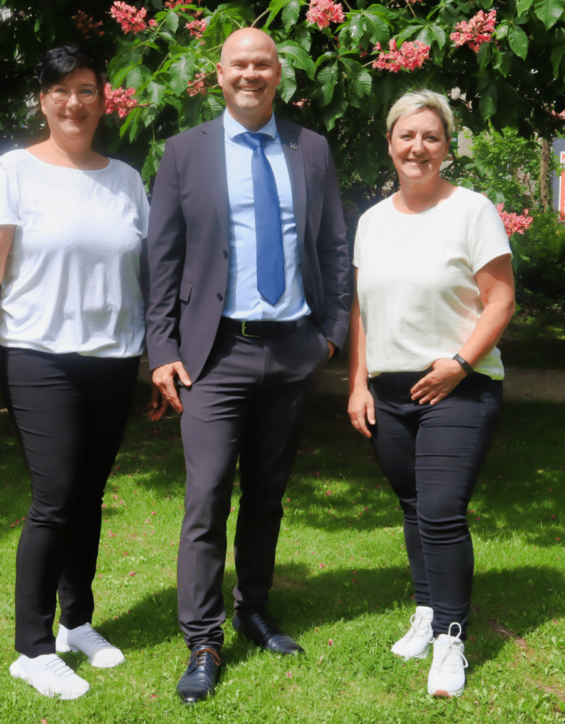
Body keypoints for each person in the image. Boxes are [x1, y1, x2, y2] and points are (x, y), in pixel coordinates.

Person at [144, 27, 351, 705]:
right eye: (240, 64)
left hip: (292, 348)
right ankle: (202, 639)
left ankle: (253, 609)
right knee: (207, 498)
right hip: (214, 354)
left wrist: (330, 335)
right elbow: (162, 260)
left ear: (278, 73)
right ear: (219, 72)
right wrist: (163, 351)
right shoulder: (184, 153)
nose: (251, 74)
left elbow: (332, 247)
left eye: (263, 64)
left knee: (267, 493)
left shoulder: (310, 149)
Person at [0, 45, 155, 700]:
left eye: (86, 90)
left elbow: (147, 278)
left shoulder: (127, 181)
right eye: (59, 91)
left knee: (88, 497)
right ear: (42, 101)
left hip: (113, 357)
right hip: (39, 357)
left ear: (104, 99)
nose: (73, 102)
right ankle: (32, 648)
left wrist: (155, 359)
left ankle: (77, 621)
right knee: (54, 498)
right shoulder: (11, 173)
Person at [346, 90, 516, 699]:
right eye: (407, 136)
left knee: (442, 511)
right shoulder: (370, 220)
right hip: (388, 392)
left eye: (431, 137)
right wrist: (358, 384)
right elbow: (361, 311)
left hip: (459, 387)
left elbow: (500, 300)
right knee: (413, 505)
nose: (418, 147)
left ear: (446, 147)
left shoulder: (472, 211)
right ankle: (426, 608)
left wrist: (459, 363)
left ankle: (450, 636)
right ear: (390, 142)